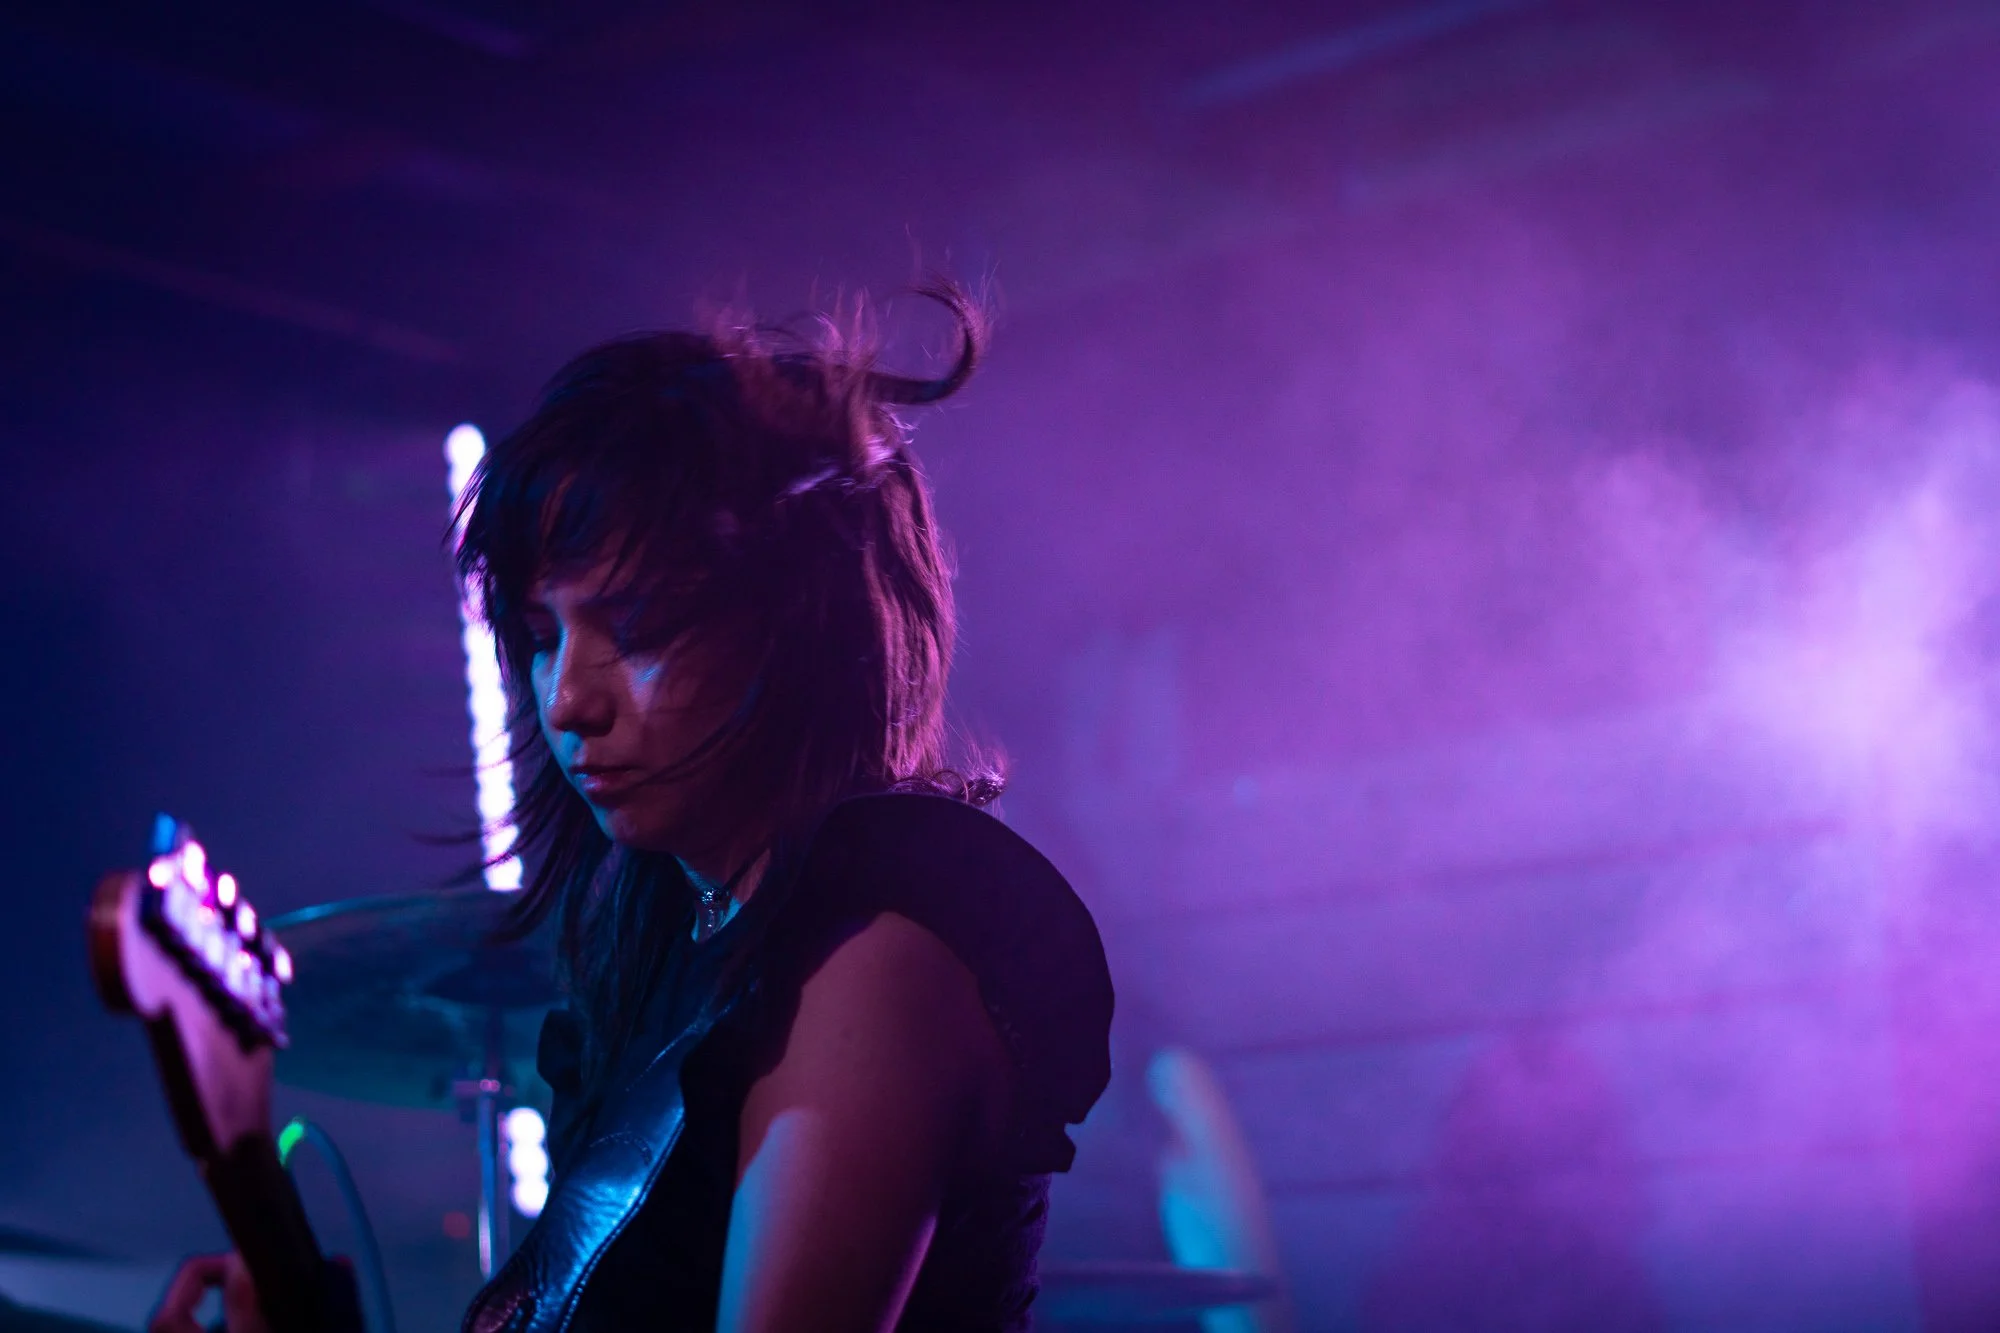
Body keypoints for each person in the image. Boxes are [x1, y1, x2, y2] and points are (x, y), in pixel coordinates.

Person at [150, 284, 1115, 1333]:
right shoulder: (668, 946)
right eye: (542, 636)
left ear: (796, 621)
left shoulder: (874, 952)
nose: (568, 698)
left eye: (640, 627)